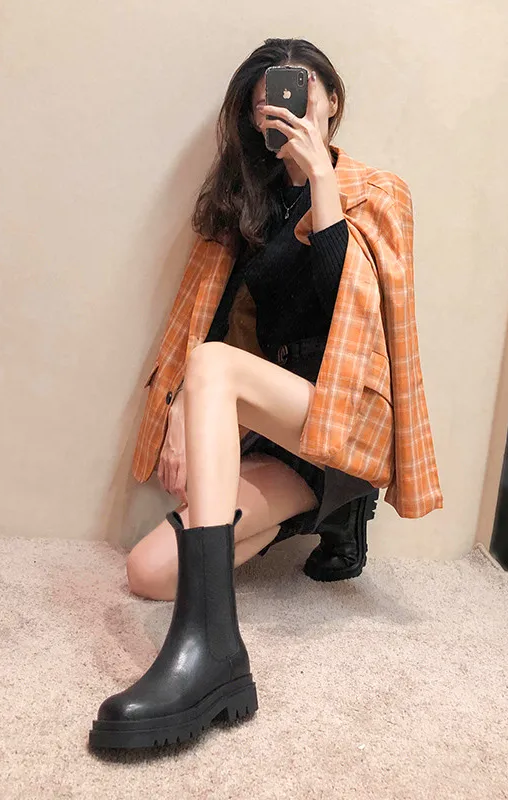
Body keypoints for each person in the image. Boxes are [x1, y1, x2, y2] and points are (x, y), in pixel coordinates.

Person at [89, 38, 442, 750]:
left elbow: (357, 314)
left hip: (339, 417)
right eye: (264, 102)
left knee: (214, 367)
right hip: (272, 428)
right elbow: (207, 325)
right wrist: (181, 412)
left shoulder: (380, 192)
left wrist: (322, 182)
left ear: (331, 100)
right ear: (253, 119)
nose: (283, 108)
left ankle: (210, 654)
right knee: (147, 572)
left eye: (300, 89)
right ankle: (322, 521)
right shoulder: (244, 207)